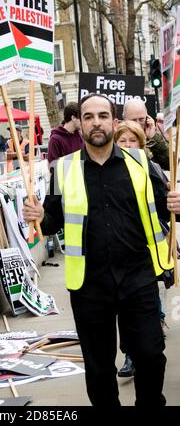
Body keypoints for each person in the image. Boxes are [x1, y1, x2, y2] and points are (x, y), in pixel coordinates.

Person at [23, 93, 180, 407]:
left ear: (115, 121)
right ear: (79, 123)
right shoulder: (62, 169)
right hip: (90, 284)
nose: (96, 122)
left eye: (103, 116)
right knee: (98, 369)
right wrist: (40, 217)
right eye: (89, 116)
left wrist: (177, 203)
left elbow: (167, 208)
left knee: (151, 355)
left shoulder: (141, 163)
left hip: (138, 278)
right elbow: (53, 220)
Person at [114, 120, 171, 378]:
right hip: (115, 256)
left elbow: (163, 207)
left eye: (131, 141)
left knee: (145, 311)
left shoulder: (150, 167)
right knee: (123, 313)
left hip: (144, 253)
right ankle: (128, 355)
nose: (127, 146)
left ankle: (150, 341)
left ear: (140, 143)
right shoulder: (106, 171)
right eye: (122, 141)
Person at [123, 98, 169, 170]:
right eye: (133, 120)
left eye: (141, 119)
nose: (138, 124)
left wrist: (153, 137)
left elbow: (169, 165)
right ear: (125, 119)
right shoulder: (118, 139)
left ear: (147, 118)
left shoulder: (153, 139)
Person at [47, 102, 84, 167]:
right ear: (73, 118)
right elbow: (52, 166)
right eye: (81, 118)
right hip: (64, 177)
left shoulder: (79, 135)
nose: (83, 121)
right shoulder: (55, 139)